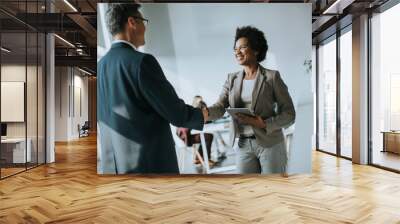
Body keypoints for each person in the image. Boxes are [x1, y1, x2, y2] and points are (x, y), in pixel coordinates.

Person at [97, 3, 208, 174]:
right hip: (149, 165)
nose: (145, 27)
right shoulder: (141, 62)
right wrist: (201, 115)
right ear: (132, 22)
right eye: (144, 21)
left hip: (113, 167)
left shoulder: (100, 66)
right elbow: (175, 112)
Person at [207, 26, 295, 174]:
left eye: (243, 47)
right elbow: (220, 106)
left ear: (255, 50)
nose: (237, 52)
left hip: (270, 143)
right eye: (235, 49)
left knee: (272, 190)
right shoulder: (232, 79)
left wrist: (263, 123)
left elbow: (289, 114)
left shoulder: (272, 77)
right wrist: (204, 112)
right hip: (243, 144)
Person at [176, 96, 215, 166]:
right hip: (186, 138)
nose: (203, 106)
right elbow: (198, 124)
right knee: (208, 136)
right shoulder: (193, 113)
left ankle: (199, 158)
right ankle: (205, 159)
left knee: (204, 136)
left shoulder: (190, 111)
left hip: (186, 136)